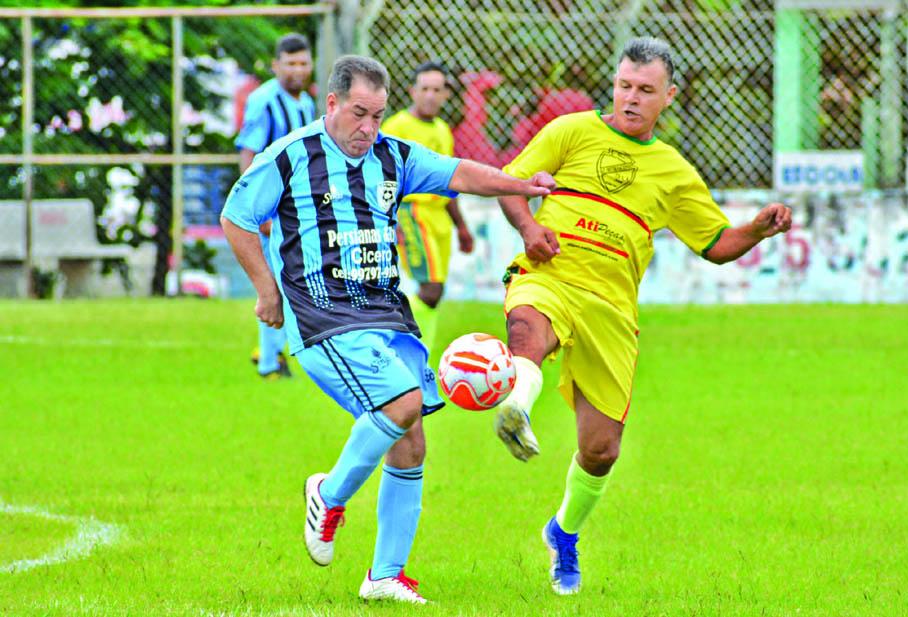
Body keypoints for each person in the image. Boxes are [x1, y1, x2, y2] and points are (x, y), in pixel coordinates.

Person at [220, 55, 554, 604]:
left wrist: (522, 183)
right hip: (325, 317)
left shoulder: (393, 155)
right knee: (400, 406)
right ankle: (327, 495)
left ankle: (384, 577)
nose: (368, 129)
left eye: (377, 115)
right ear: (332, 104)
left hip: (385, 316)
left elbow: (461, 173)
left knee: (412, 443)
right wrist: (265, 289)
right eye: (358, 114)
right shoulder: (291, 157)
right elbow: (237, 217)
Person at [491, 37, 793, 596]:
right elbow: (512, 185)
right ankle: (516, 405)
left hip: (611, 309)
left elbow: (717, 243)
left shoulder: (673, 172)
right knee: (527, 331)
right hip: (550, 275)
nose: (631, 98)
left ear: (668, 96)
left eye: (645, 90)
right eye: (625, 86)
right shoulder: (571, 131)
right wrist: (531, 230)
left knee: (602, 450)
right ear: (615, 84)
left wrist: (756, 228)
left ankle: (563, 533)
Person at [235, 32, 315, 379]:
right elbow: (249, 155)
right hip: (273, 210)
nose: (297, 70)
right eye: (290, 63)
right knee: (273, 285)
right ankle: (269, 363)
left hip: (298, 211)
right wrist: (258, 211)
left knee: (295, 282)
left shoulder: (309, 104)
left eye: (303, 63)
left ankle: (272, 352)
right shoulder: (264, 100)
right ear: (276, 65)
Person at [380, 62, 473, 352]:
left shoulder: (444, 130)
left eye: (437, 89)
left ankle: (422, 354)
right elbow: (380, 177)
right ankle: (398, 344)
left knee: (435, 291)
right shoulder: (396, 127)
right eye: (425, 89)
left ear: (446, 94)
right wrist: (387, 222)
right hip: (411, 212)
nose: (431, 95)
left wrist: (461, 226)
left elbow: (448, 181)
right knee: (430, 289)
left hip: (438, 216)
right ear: (412, 92)